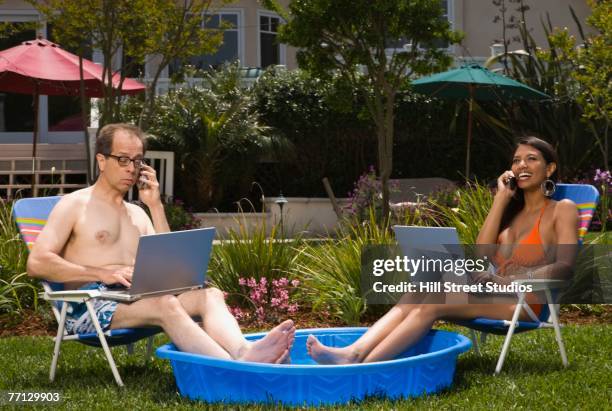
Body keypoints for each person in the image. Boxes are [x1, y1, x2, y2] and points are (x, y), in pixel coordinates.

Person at [27, 123, 295, 364]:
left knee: (209, 296)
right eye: (122, 160)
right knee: (165, 304)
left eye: (137, 161)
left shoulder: (137, 213)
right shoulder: (74, 205)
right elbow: (37, 263)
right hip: (87, 303)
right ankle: (233, 369)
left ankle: (242, 354)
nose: (131, 169)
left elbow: (169, 266)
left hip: (135, 297)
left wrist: (155, 205)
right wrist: (101, 273)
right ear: (101, 160)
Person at [307, 136, 579, 364]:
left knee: (436, 301)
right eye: (516, 160)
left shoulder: (562, 209)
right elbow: (482, 255)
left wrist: (506, 280)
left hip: (524, 302)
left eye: (531, 159)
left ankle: (365, 366)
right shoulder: (511, 212)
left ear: (550, 168)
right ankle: (353, 353)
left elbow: (564, 269)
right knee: (420, 289)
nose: (521, 165)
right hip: (492, 292)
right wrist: (500, 199)